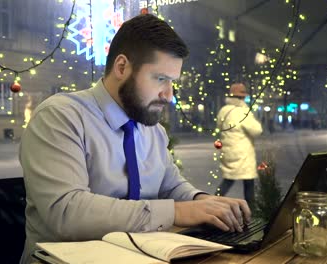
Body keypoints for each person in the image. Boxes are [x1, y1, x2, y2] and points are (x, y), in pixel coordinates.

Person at [19, 14, 250, 264]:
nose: (168, 95)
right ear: (122, 67)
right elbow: (67, 212)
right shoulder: (61, 117)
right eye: (160, 79)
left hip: (139, 255)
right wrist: (176, 212)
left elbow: (170, 185)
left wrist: (203, 201)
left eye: (172, 82)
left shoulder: (152, 129)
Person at [215, 83, 263, 206]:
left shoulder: (223, 110)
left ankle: (214, 201)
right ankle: (251, 209)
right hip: (242, 154)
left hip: (228, 151)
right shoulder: (242, 112)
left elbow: (220, 127)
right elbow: (256, 130)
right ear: (242, 97)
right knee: (248, 182)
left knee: (228, 180)